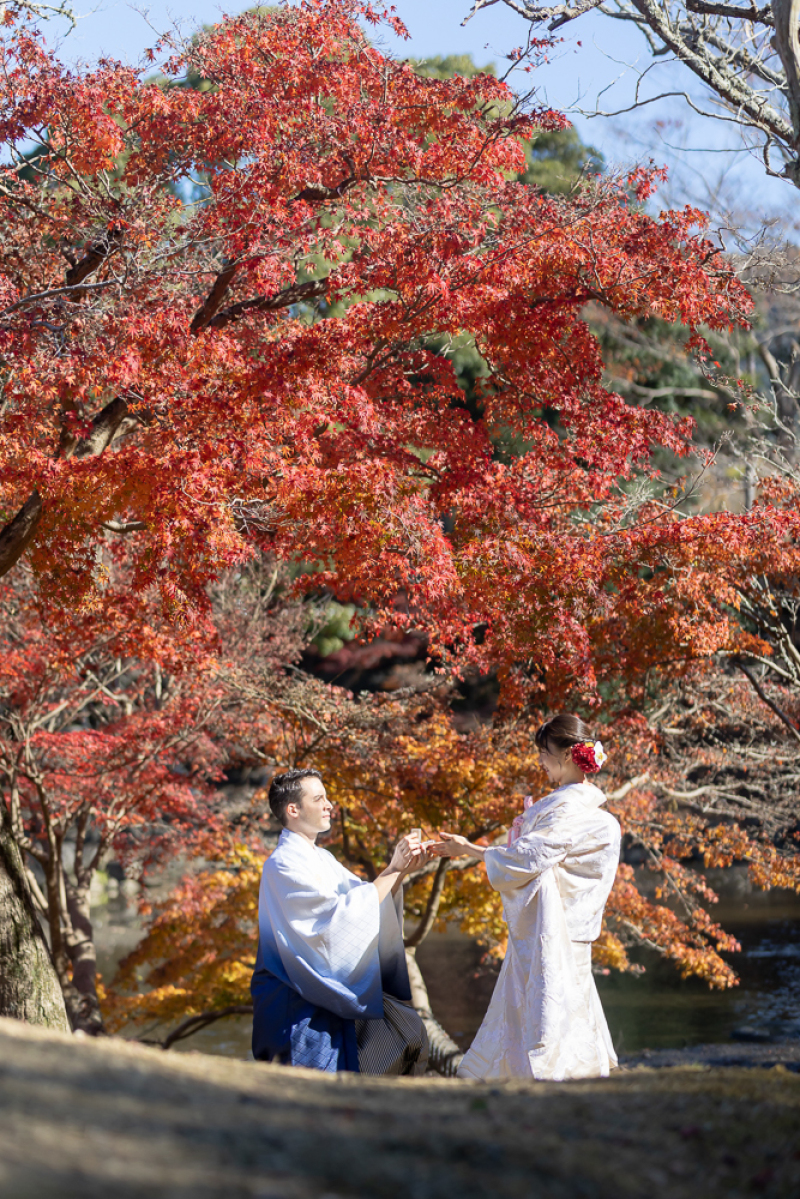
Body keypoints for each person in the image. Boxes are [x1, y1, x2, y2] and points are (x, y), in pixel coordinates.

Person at [430, 713, 621, 1082]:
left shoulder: (567, 809)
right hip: (571, 926)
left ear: (567, 755)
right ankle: (567, 1075)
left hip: (551, 930)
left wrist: (468, 849)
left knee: (543, 1005)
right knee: (566, 1003)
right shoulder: (592, 813)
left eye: (544, 753)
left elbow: (527, 858)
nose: (540, 761)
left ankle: (539, 1076)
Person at [251, 767, 429, 1075]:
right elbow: (338, 919)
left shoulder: (323, 859)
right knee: (308, 1093)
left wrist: (400, 871)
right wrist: (393, 869)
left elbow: (367, 902)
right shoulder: (281, 864)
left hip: (328, 990)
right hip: (296, 996)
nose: (329, 805)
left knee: (407, 1031)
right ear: (293, 810)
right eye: (318, 799)